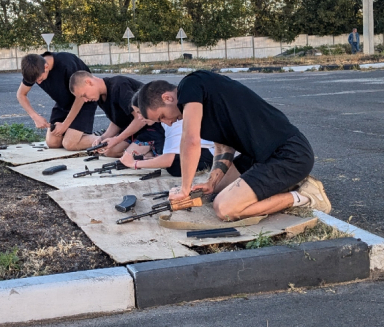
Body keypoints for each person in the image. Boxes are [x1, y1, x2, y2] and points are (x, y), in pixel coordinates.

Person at [136, 71, 330, 221]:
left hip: (289, 154)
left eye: (161, 117)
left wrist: (184, 188)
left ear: (167, 98)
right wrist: (211, 182)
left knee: (225, 209)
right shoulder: (201, 103)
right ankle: (281, 183)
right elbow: (223, 149)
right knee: (215, 191)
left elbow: (190, 141)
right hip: (260, 156)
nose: (166, 123)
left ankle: (305, 196)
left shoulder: (190, 84)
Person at [68, 72, 164, 158]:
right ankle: (141, 151)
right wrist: (102, 138)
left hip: (152, 125)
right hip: (136, 129)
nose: (85, 100)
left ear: (89, 82)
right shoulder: (100, 97)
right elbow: (118, 121)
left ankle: (154, 152)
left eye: (84, 95)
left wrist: (117, 139)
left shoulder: (119, 86)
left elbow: (140, 119)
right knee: (109, 152)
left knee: (129, 156)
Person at [120, 91, 214, 177]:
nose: (139, 118)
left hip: (214, 153)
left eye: (140, 112)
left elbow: (168, 161)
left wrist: (133, 164)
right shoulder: (169, 116)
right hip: (206, 148)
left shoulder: (172, 120)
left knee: (174, 167)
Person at [17, 52, 98, 151]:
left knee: (69, 144)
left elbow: (81, 96)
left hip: (84, 102)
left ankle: (107, 137)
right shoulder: (34, 68)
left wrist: (65, 125)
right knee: (52, 143)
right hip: (63, 104)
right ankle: (78, 135)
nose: (39, 83)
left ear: (46, 67)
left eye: (40, 79)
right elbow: (21, 94)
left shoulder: (66, 64)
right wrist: (35, 117)